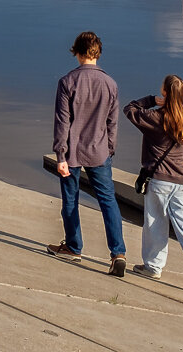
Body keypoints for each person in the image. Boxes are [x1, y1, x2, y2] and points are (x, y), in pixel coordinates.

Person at [123, 74, 183, 294]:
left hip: (160, 180)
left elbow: (130, 109)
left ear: (165, 92)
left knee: (156, 224)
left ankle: (153, 267)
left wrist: (152, 100)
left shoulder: (157, 118)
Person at [47, 31, 127, 277]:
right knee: (108, 201)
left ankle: (73, 247)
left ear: (77, 52)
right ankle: (118, 253)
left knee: (70, 200)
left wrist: (60, 155)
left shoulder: (67, 82)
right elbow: (113, 123)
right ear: (97, 53)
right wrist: (109, 149)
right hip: (100, 151)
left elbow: (63, 121)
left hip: (72, 152)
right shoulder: (111, 84)